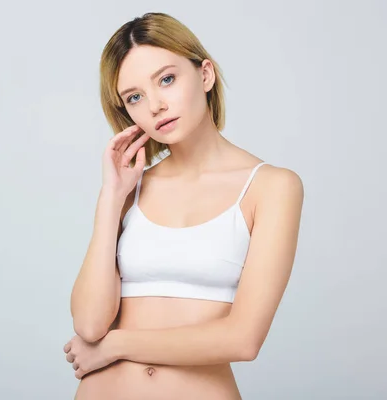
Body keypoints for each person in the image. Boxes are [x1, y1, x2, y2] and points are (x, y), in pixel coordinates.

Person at [63, 12, 304, 400]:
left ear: (205, 75)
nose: (155, 105)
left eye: (167, 79)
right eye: (135, 97)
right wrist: (111, 199)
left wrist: (117, 345)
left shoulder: (272, 187)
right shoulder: (130, 189)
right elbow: (89, 325)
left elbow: (243, 340)